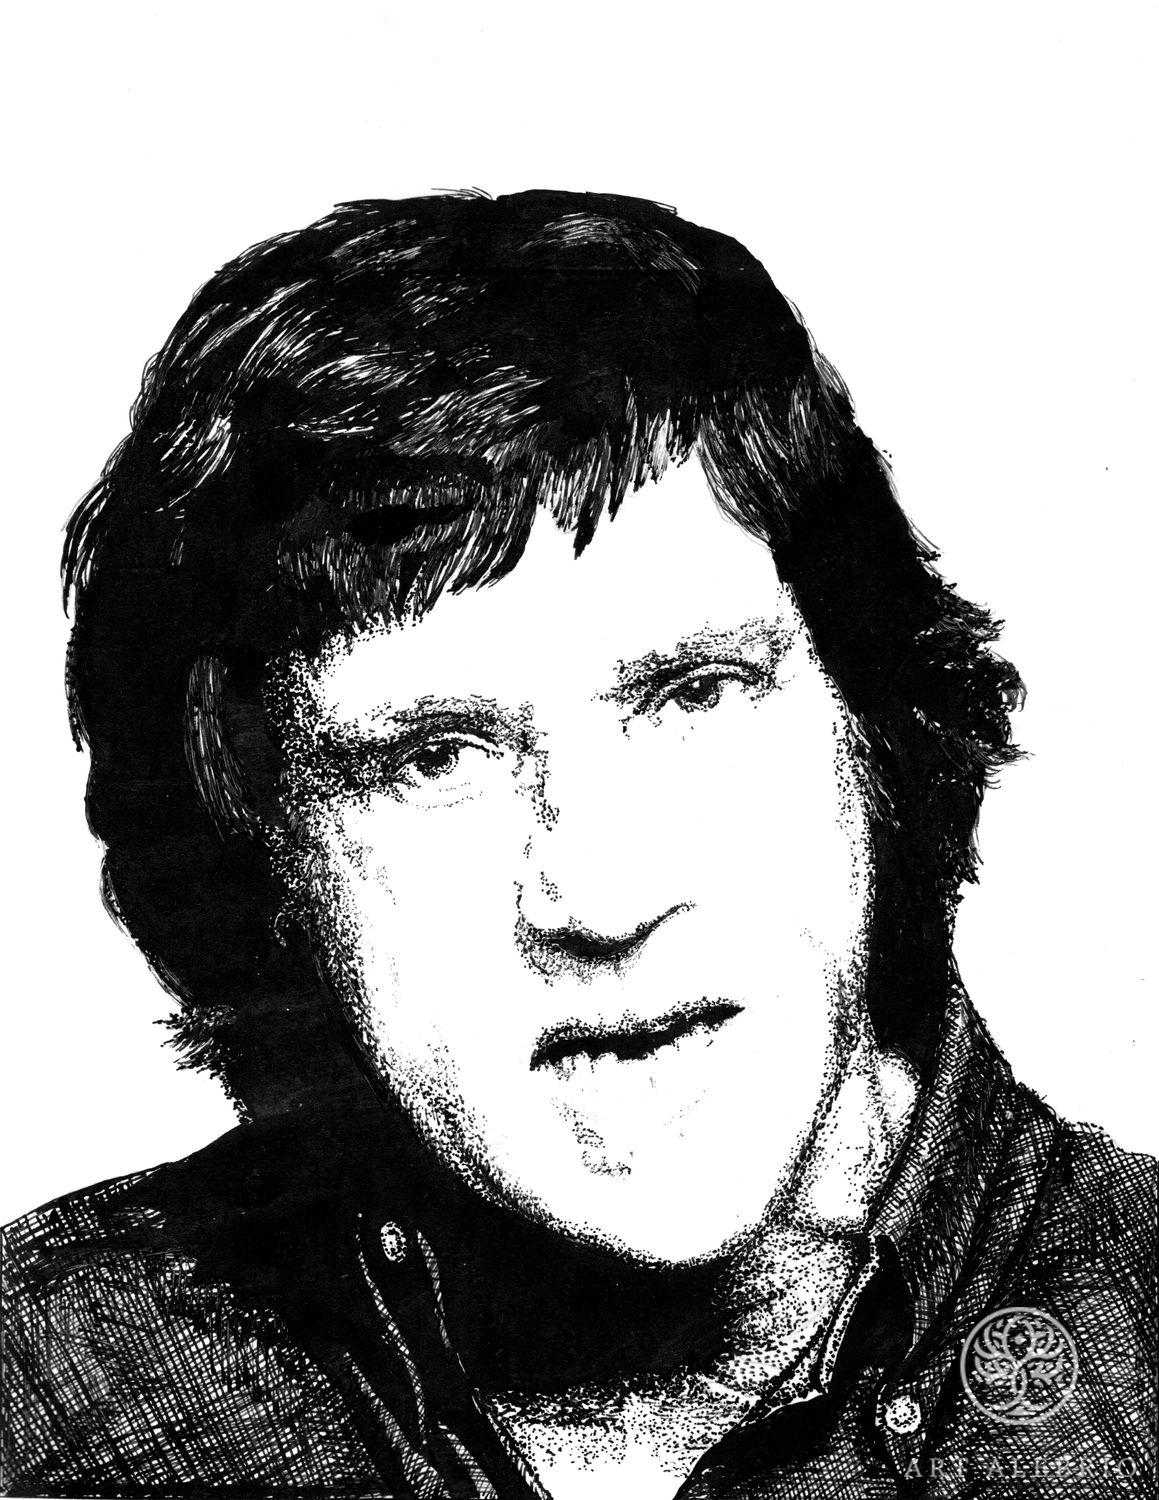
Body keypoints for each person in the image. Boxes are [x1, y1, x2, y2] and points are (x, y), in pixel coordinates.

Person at [2, 191, 1153, 1499]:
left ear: (874, 737)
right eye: (434, 761)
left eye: (696, 695)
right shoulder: (46, 1384)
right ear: (270, 878)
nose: (600, 896)